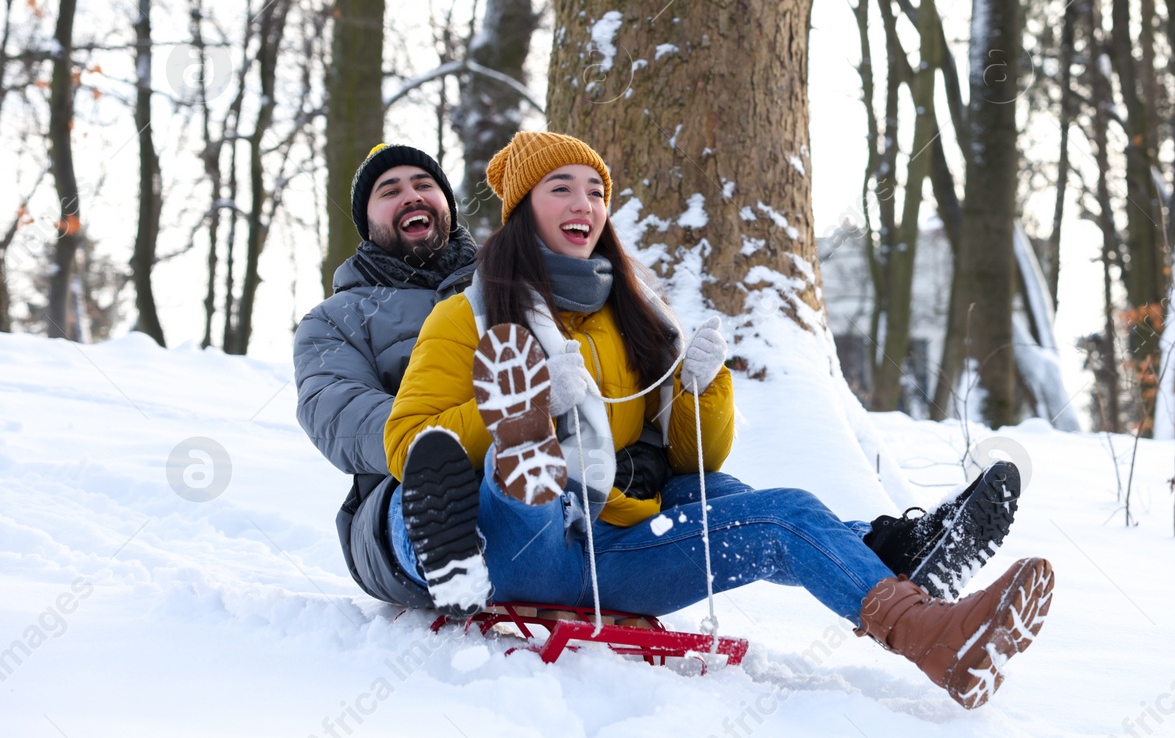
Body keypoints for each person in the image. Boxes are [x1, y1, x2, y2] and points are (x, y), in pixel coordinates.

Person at [382, 132, 1053, 708]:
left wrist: (704, 389)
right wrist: (522, 407)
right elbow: (407, 444)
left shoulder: (631, 317)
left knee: (747, 503)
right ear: (524, 208)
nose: (584, 202)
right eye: (561, 187)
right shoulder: (467, 316)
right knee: (530, 466)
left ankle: (916, 603)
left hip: (614, 551)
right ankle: (902, 575)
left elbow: (695, 460)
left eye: (595, 189)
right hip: (517, 541)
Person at [292, 144, 479, 608]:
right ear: (368, 223)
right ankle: (448, 557)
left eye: (424, 185)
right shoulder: (335, 320)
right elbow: (334, 409)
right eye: (389, 191)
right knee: (433, 492)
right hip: (398, 499)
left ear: (446, 207)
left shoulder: (507, 288)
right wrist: (439, 442)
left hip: (528, 468)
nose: (411, 196)